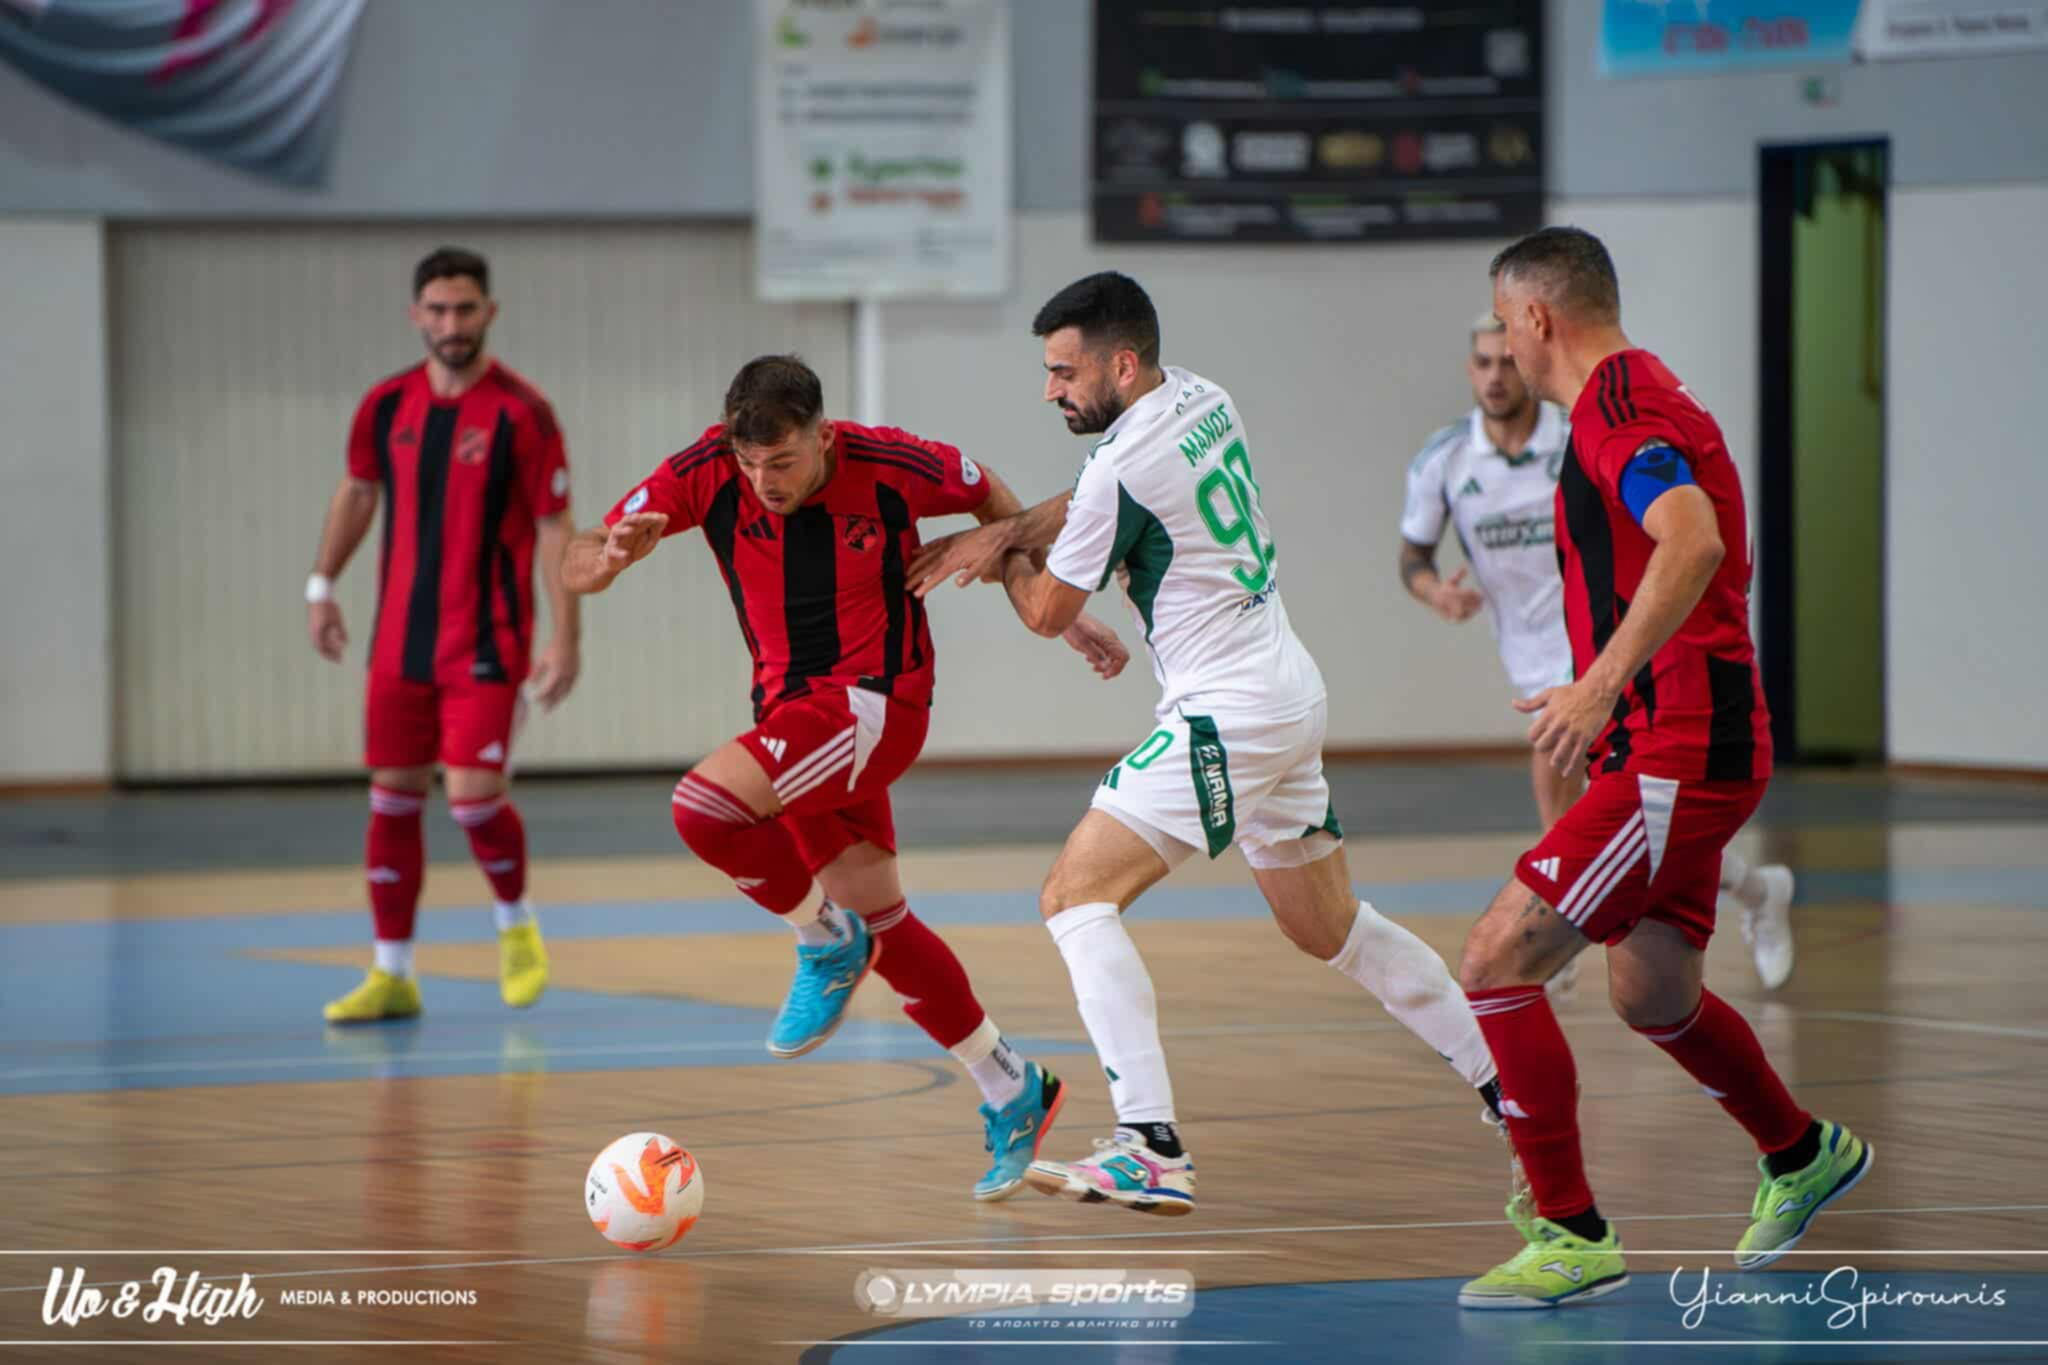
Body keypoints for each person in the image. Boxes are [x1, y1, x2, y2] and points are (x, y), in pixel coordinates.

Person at [908, 272, 1503, 1217]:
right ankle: (1505, 1078)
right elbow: (1102, 490)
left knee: (1074, 896)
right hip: (1285, 691)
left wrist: (999, 550)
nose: (1051, 391)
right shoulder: (1201, 396)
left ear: (1121, 362)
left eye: (1064, 373)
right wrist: (1018, 524)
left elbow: (1047, 610)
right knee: (1328, 928)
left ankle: (1149, 1142)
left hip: (1226, 712)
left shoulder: (1116, 469)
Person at [560, 355, 1132, 1200]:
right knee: (887, 925)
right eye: (750, 465)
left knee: (705, 808)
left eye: (783, 462)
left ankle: (823, 941)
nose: (763, 482)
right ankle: (1012, 1084)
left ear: (823, 437)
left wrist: (1061, 608)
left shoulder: (893, 464)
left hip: (876, 704)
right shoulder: (704, 472)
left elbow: (995, 502)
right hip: (795, 720)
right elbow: (573, 564)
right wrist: (606, 558)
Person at [1454, 227, 1869, 1310]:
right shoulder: (1631, 397)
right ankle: (1798, 1151)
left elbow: (1685, 541)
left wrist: (1597, 686)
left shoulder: (1615, 408)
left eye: (1503, 323)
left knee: (1498, 957)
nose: (1501, 344)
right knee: (1649, 990)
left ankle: (1567, 1231)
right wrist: (1604, 690)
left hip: (1678, 740)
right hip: (1674, 735)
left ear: (1535, 319)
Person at [1400, 315, 1797, 990]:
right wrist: (1437, 591)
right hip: (1527, 660)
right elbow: (1412, 556)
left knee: (1571, 812)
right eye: (1484, 363)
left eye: (1506, 359)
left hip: (1597, 656)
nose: (1497, 374)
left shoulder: (1578, 437)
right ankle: (1758, 890)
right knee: (1597, 821)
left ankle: (1553, 935)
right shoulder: (1444, 461)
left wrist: (1607, 669)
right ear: (1470, 371)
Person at [307, 246, 577, 1024]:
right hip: (401, 643)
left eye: (465, 309)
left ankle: (516, 925)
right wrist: (320, 585)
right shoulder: (387, 405)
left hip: (488, 642)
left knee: (470, 798)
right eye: (438, 310)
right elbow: (358, 493)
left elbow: (557, 529)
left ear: (489, 312)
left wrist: (567, 638)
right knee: (391, 801)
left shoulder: (523, 413)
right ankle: (392, 972)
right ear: (416, 315)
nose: (451, 324)